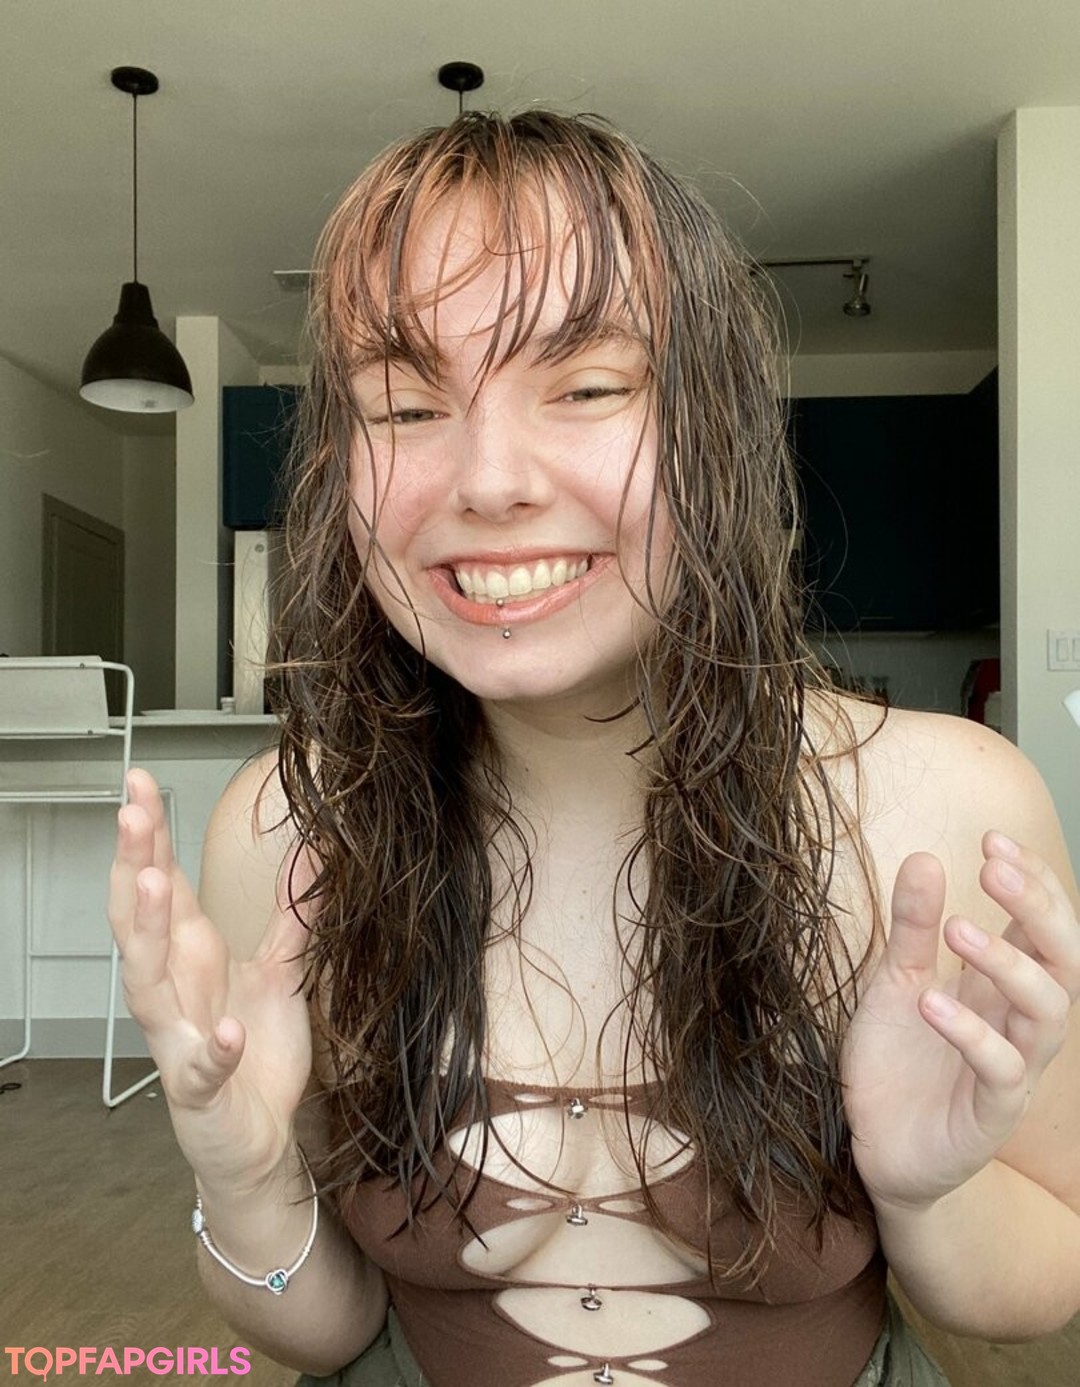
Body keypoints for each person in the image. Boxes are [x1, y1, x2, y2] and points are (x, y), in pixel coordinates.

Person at [108, 111, 1080, 1387]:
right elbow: (328, 1330)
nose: (489, 480)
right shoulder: (288, 841)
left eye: (586, 387)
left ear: (713, 425)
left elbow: (1044, 1283)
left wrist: (925, 1192)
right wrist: (242, 1181)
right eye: (406, 404)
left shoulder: (943, 813)